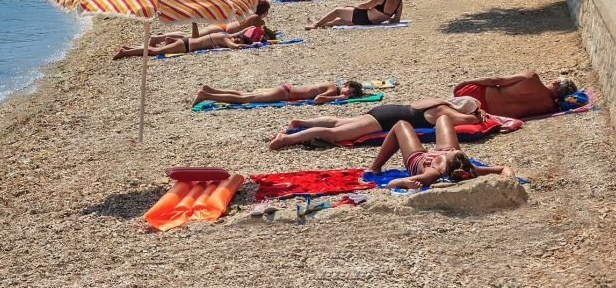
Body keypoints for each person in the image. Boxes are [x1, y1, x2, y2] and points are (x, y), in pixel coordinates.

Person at [268, 95, 486, 150]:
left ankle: (301, 122)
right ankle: (286, 139)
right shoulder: (444, 110)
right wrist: (478, 114)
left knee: (338, 121)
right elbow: (468, 120)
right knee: (336, 134)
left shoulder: (437, 100)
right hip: (387, 121)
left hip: (386, 110)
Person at [367, 117, 514, 189]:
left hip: (419, 159)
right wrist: (511, 180)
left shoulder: (431, 174)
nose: (454, 149)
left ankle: (375, 167)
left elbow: (391, 184)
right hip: (439, 154)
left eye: (453, 151)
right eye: (455, 150)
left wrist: (406, 182)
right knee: (443, 118)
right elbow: (503, 168)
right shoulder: (471, 169)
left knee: (401, 124)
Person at [452, 71, 578, 119]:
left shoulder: (532, 78)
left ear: (556, 82)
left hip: (476, 95)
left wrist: (467, 81)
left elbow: (496, 80)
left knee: (453, 102)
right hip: (486, 114)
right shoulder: (551, 108)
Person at [112, 22, 252, 59]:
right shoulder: (225, 38)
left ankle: (129, 49)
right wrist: (246, 47)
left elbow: (239, 33)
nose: (238, 42)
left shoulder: (225, 35)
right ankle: (125, 52)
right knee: (154, 51)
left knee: (155, 50)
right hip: (186, 46)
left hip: (187, 42)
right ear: (238, 39)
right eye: (240, 41)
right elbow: (234, 46)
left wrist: (249, 31)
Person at [306, 0, 403, 29]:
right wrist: (386, 17)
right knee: (339, 22)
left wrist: (354, 6)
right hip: (371, 23)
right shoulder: (399, 2)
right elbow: (397, 19)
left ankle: (316, 24)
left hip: (362, 16)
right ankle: (319, 24)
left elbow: (365, 6)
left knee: (338, 11)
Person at [194, 80, 365, 107]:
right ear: (345, 85)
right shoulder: (333, 88)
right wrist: (339, 97)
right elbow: (319, 100)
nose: (346, 94)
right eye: (348, 91)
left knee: (245, 94)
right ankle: (206, 96)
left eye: (349, 94)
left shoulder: (331, 85)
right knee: (244, 99)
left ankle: (211, 90)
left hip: (286, 89)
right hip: (286, 94)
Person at [198, 0, 272, 36]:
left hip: (222, 28)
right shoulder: (256, 18)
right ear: (265, 12)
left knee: (193, 37)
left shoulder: (251, 15)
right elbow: (256, 35)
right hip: (222, 31)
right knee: (194, 37)